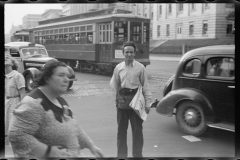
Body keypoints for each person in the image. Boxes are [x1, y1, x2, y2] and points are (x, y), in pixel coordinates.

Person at [8, 60, 104, 158]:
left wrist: (91, 145)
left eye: (67, 75)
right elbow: (17, 134)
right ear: (47, 78)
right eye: (61, 75)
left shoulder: (60, 100)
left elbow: (74, 127)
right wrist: (48, 152)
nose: (67, 79)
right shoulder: (33, 103)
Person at [110, 41, 152, 157]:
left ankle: (137, 156)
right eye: (127, 52)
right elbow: (115, 85)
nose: (129, 54)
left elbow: (146, 86)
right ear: (123, 53)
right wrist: (116, 100)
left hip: (136, 102)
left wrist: (148, 103)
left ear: (134, 53)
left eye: (131, 52)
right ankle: (121, 156)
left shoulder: (140, 68)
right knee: (121, 132)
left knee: (137, 132)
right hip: (122, 103)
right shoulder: (118, 68)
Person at [5, 55, 26, 145]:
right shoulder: (5, 77)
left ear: (12, 63)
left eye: (7, 57)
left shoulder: (17, 75)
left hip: (15, 102)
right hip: (6, 103)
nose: (4, 58)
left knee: (14, 129)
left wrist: (22, 109)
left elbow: (22, 94)